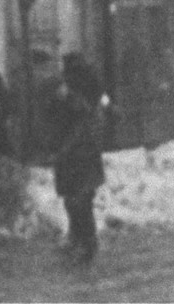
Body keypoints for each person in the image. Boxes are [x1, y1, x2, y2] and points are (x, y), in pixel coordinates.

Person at [52, 61, 105, 265]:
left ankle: (88, 244)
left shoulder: (79, 100)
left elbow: (79, 129)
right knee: (74, 201)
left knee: (80, 202)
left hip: (80, 157)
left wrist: (64, 150)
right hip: (78, 158)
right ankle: (78, 238)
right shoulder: (78, 98)